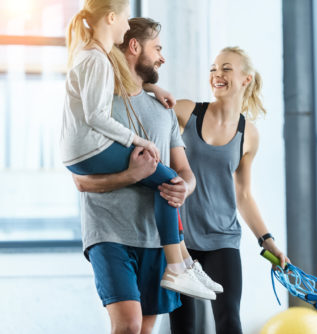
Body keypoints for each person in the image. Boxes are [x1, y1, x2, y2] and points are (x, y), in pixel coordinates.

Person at [70, 17, 221, 334]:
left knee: (144, 330)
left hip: (156, 239)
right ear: (134, 46)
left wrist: (184, 188)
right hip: (108, 234)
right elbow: (81, 181)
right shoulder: (99, 104)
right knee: (128, 325)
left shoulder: (164, 109)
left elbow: (183, 172)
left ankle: (182, 267)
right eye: (158, 48)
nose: (162, 57)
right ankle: (184, 267)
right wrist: (131, 174)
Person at [160, 46, 289, 334]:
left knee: (229, 319)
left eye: (226, 68)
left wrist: (268, 241)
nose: (217, 74)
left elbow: (243, 195)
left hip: (223, 239)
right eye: (214, 69)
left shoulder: (249, 134)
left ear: (246, 79)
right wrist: (154, 88)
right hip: (181, 239)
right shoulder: (187, 111)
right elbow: (149, 107)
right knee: (183, 326)